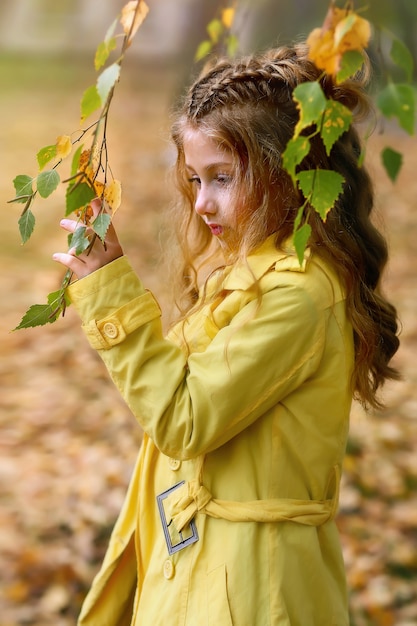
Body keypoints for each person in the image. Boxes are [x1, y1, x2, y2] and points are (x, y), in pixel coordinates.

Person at [53, 43, 400, 626]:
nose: (204, 202)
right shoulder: (258, 271)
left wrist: (110, 293)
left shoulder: (299, 294)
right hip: (204, 564)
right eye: (194, 178)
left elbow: (184, 417)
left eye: (223, 177)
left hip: (251, 587)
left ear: (286, 172)